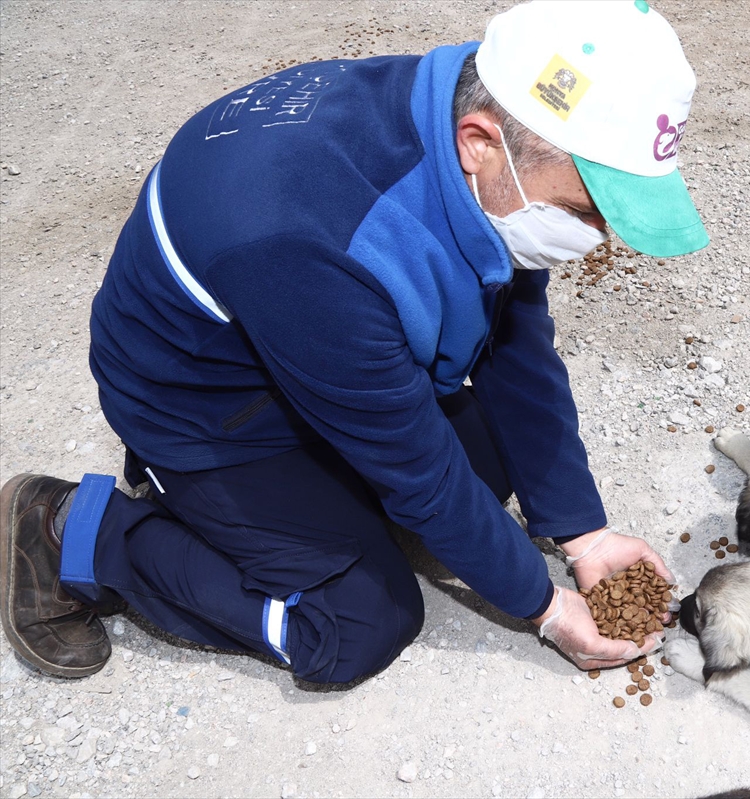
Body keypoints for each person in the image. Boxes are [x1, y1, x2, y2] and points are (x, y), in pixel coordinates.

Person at [0, 0, 707, 684]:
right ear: (480, 141)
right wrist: (547, 607)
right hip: (203, 408)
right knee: (362, 619)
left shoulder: (483, 121)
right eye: (586, 209)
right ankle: (73, 532)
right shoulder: (314, 239)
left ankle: (302, 513)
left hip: (305, 345)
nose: (598, 239)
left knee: (488, 470)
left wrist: (583, 532)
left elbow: (515, 344)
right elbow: (420, 474)